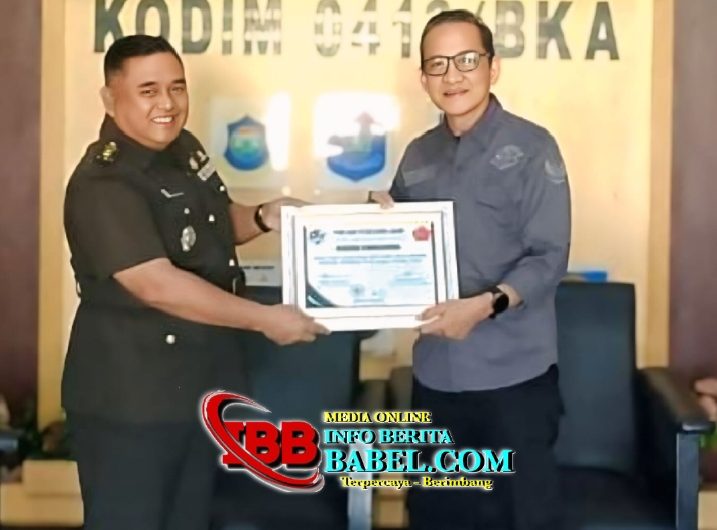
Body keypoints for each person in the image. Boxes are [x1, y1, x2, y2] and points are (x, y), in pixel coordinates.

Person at [63, 35, 327, 530]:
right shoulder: (104, 182)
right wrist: (265, 319)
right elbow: (155, 283)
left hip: (198, 389)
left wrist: (264, 215)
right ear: (110, 99)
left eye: (177, 87)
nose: (167, 103)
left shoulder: (183, 149)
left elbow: (212, 226)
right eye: (148, 90)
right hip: (132, 401)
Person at [371, 9, 571, 530]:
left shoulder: (533, 147)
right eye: (437, 64)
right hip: (436, 377)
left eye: (466, 60)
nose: (452, 75)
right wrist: (374, 224)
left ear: (492, 67)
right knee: (438, 515)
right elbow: (397, 247)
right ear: (423, 78)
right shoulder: (418, 154)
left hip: (515, 378)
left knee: (521, 517)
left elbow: (550, 257)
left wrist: (485, 305)